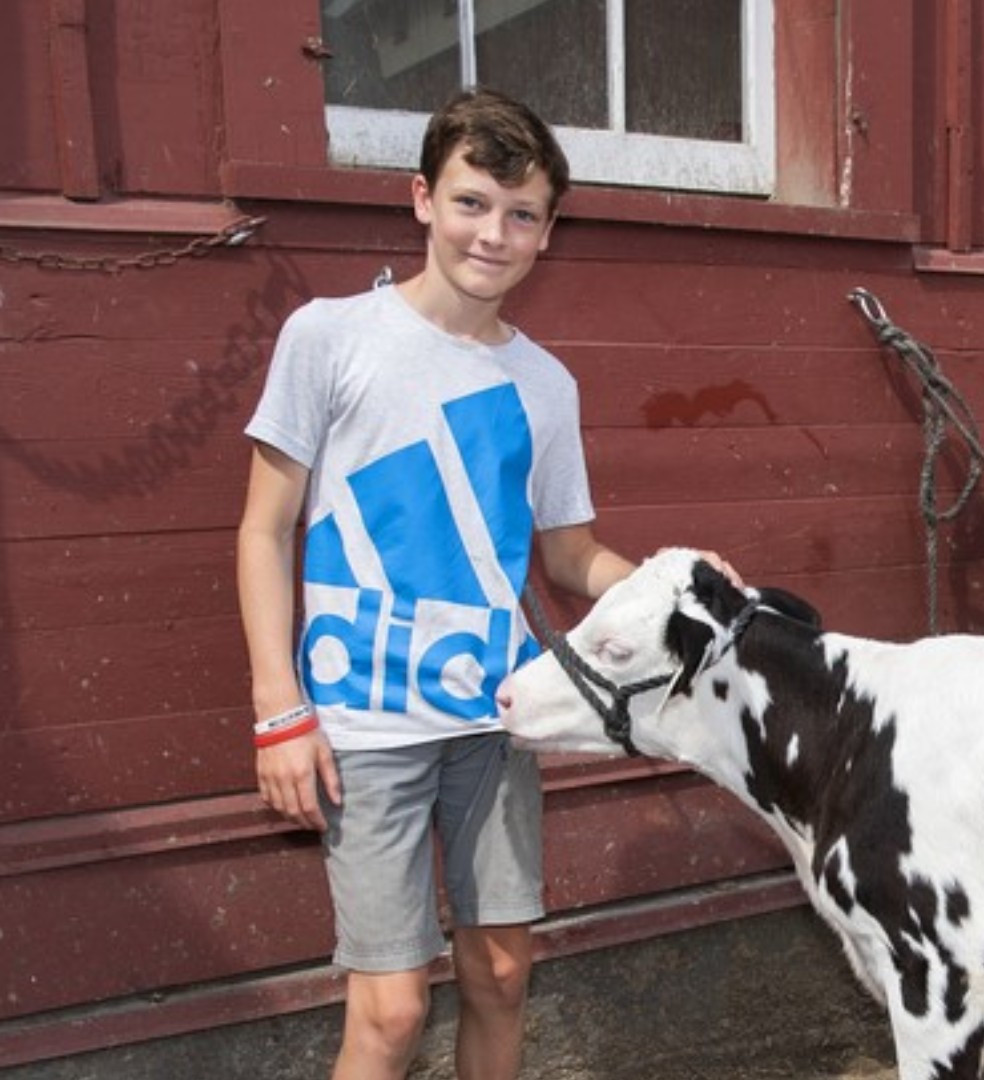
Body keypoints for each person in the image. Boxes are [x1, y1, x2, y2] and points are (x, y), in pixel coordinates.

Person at [237, 87, 732, 1080]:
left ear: (548, 232)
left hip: (497, 712)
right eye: (472, 202)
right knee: (387, 1013)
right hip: (361, 725)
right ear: (422, 199)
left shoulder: (545, 385)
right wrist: (277, 711)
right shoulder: (330, 337)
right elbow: (264, 527)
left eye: (520, 214)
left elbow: (567, 556)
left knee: (503, 974)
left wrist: (678, 587)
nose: (492, 233)